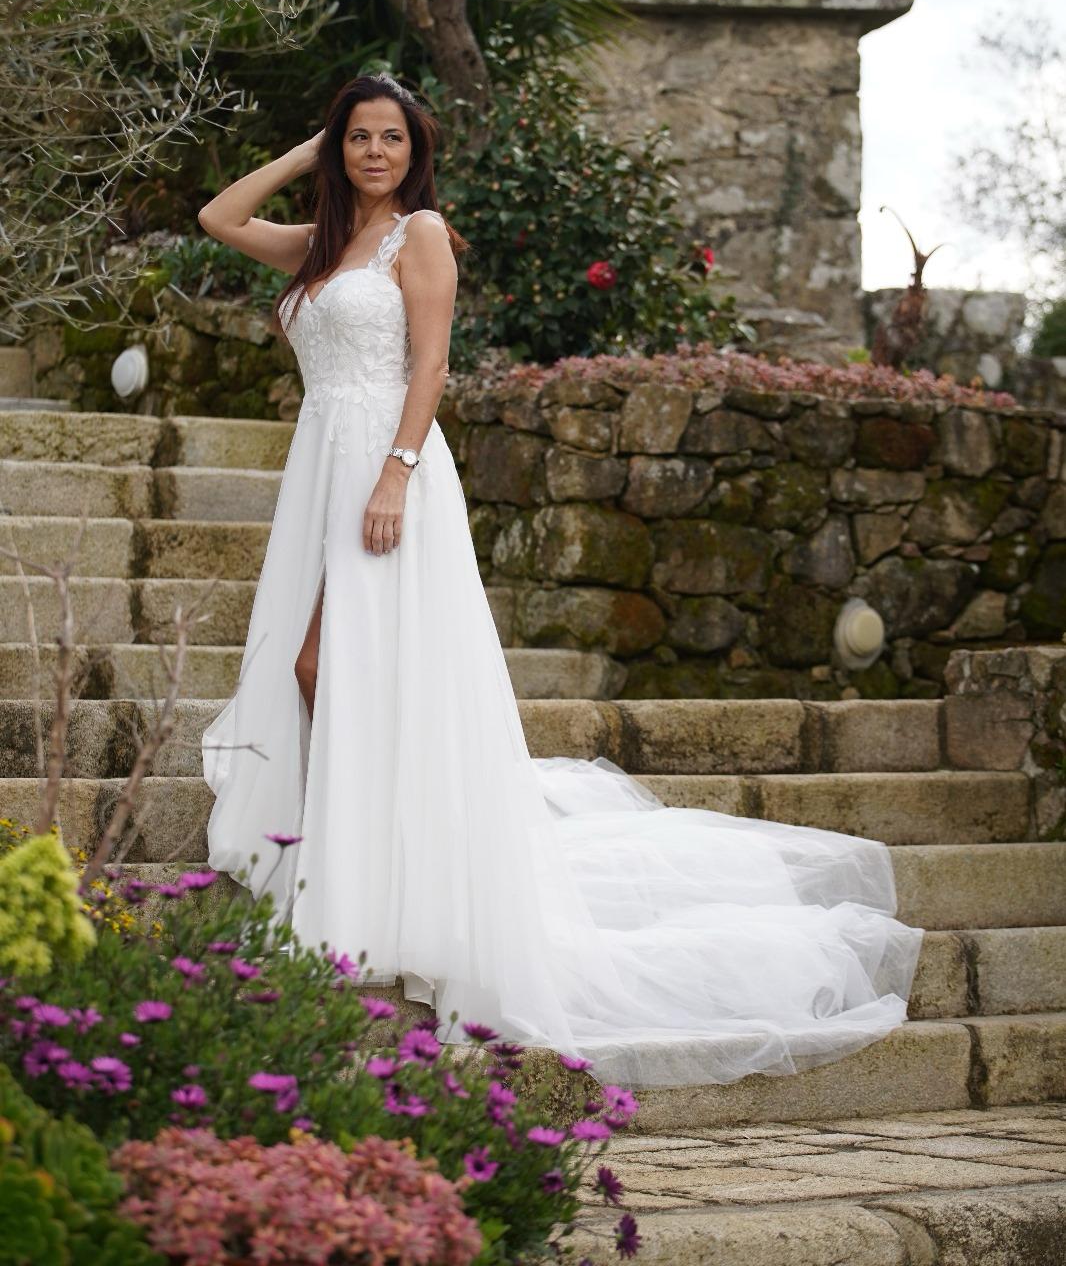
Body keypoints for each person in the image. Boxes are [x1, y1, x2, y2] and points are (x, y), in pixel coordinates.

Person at [197, 71, 923, 1089]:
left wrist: (397, 473)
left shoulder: (421, 235)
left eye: (389, 139)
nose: (373, 153)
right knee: (317, 665)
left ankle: (393, 897)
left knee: (346, 666)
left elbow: (432, 365)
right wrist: (306, 152)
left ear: (414, 153)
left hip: (383, 467)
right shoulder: (320, 247)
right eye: (357, 138)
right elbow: (217, 214)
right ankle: (356, 877)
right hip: (318, 468)